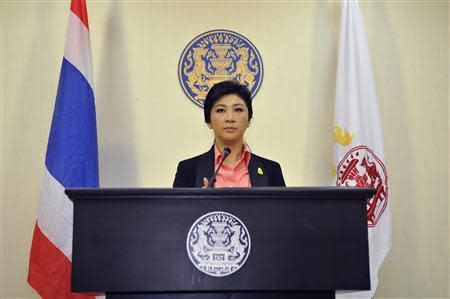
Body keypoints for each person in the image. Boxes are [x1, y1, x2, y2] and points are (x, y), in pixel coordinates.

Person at [173, 80, 285, 188]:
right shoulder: (187, 170)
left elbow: (282, 208)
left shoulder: (271, 171)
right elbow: (178, 208)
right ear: (209, 121)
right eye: (221, 110)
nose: (230, 118)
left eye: (238, 110)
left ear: (249, 120)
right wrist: (201, 203)